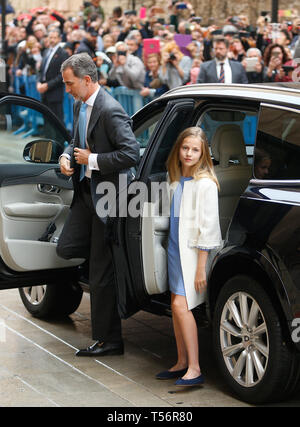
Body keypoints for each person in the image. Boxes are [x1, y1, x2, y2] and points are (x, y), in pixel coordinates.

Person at [57, 53, 140, 357]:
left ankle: (109, 340)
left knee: (101, 272)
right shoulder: (81, 104)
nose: (67, 90)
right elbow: (74, 140)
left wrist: (91, 159)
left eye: (69, 84)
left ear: (87, 80)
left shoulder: (110, 110)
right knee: (65, 248)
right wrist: (67, 156)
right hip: (86, 193)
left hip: (109, 197)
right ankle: (103, 272)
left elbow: (131, 154)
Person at [156, 127, 221, 386]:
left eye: (195, 150)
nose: (189, 154)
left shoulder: (205, 184)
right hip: (174, 250)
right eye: (185, 148)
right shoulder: (175, 180)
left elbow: (209, 227)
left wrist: (200, 268)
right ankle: (181, 361)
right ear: (178, 149)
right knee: (175, 307)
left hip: (192, 255)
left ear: (203, 152)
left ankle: (194, 367)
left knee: (180, 307)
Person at [37, 28, 68, 121]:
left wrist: (47, 85)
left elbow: (62, 74)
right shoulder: (46, 52)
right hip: (44, 92)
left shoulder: (63, 53)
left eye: (54, 37)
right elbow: (41, 70)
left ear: (59, 39)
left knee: (57, 120)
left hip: (55, 93)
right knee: (47, 120)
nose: (52, 40)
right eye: (50, 37)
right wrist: (38, 82)